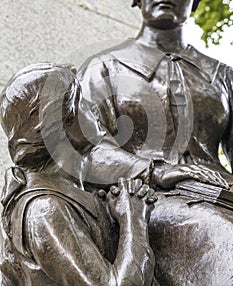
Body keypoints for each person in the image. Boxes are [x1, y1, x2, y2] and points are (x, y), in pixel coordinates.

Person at [77, 0, 233, 285]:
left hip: (223, 193)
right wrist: (156, 171)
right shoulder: (103, 68)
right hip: (149, 202)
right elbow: (86, 151)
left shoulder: (222, 76)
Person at [0, 63, 157, 286]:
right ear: (63, 122)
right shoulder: (45, 209)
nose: (92, 106)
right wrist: (134, 220)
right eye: (82, 100)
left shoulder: (72, 193)